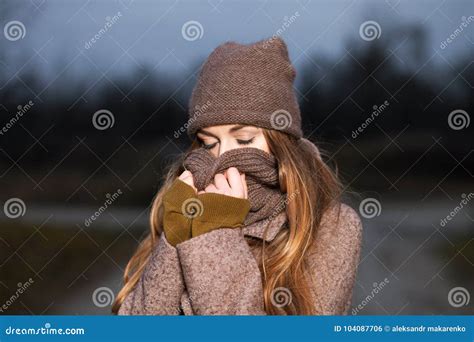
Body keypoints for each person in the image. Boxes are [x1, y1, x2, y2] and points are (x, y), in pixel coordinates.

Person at [112, 36, 363, 315]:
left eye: (244, 140)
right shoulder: (186, 202)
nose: (222, 160)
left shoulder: (330, 226)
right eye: (209, 143)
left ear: (281, 141)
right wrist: (176, 236)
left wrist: (216, 236)